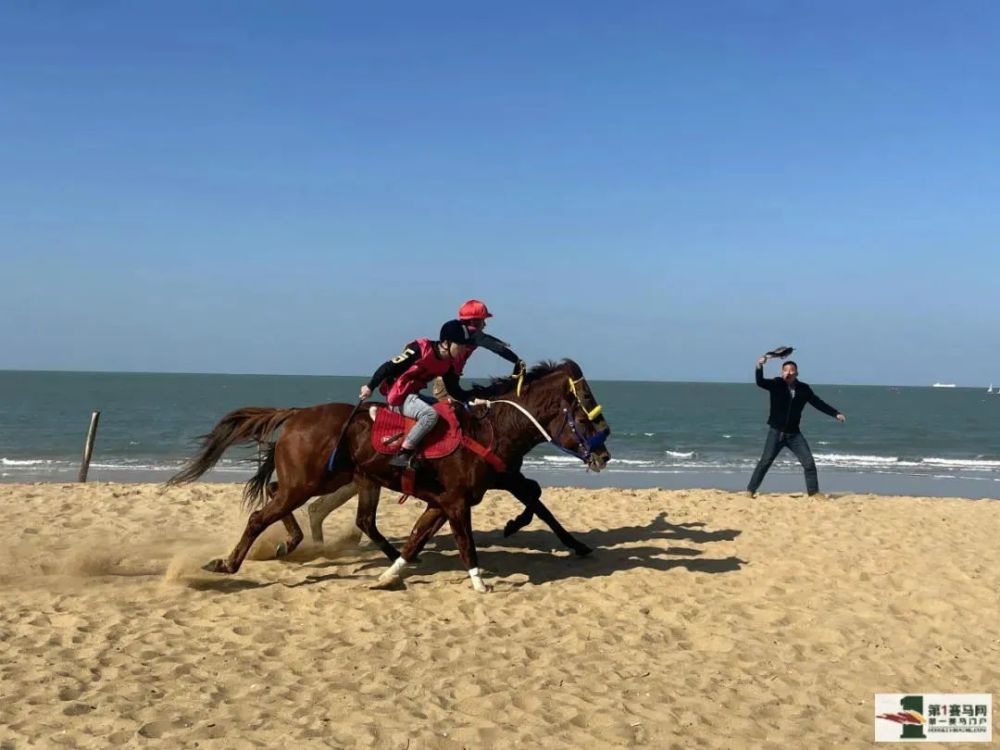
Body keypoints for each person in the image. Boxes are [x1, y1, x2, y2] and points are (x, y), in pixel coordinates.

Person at [360, 320, 472, 468]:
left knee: (445, 409)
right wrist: (370, 386)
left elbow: (454, 390)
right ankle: (403, 453)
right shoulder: (420, 349)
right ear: (446, 343)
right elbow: (390, 367)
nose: (464, 349)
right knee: (430, 414)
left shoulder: (450, 363)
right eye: (461, 345)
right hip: (398, 396)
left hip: (413, 395)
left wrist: (473, 399)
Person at [747, 355, 846, 497]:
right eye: (785, 370)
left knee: (809, 463)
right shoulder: (776, 384)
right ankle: (750, 490)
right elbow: (760, 382)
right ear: (782, 373)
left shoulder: (803, 389)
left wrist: (835, 414)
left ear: (796, 373)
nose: (788, 372)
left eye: (791, 370)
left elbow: (818, 403)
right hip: (776, 432)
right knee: (765, 462)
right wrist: (759, 366)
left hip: (794, 434)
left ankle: (814, 493)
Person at [432, 299, 525, 400]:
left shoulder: (464, 332)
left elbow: (488, 339)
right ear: (473, 321)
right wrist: (516, 360)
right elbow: (493, 345)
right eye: (482, 321)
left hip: (449, 379)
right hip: (445, 383)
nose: (485, 325)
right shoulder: (472, 335)